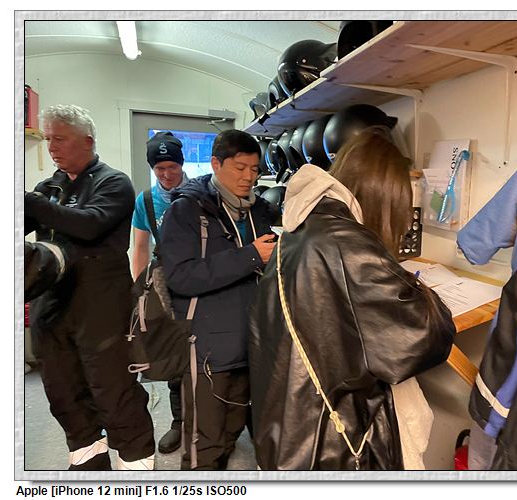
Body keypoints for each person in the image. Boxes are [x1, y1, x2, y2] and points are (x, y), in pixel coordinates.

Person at [248, 127, 456, 470]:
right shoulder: (347, 242)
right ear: (384, 197)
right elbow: (425, 337)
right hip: (329, 446)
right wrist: (422, 293)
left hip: (287, 424)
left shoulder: (303, 226)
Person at [24, 104, 155, 470]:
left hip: (101, 306)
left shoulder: (113, 182)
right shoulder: (48, 187)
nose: (51, 147)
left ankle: (136, 468)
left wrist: (30, 201)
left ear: (87, 141)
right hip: (52, 304)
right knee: (63, 391)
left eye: (60, 139)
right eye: (48, 139)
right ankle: (88, 464)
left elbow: (88, 225)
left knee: (113, 392)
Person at [160, 129, 276, 470]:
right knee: (204, 442)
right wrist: (251, 256)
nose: (248, 177)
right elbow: (180, 277)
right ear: (215, 163)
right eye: (240, 167)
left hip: (250, 342)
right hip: (207, 347)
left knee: (231, 429)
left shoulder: (259, 211)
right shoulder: (186, 211)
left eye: (254, 169)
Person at [131, 131, 188, 455]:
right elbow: (140, 248)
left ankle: (214, 418)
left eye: (172, 167)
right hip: (166, 282)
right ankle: (180, 421)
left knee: (210, 351)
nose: (167, 174)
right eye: (159, 168)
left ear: (182, 164)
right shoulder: (146, 201)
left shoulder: (201, 191)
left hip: (204, 278)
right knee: (174, 350)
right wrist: (140, 295)